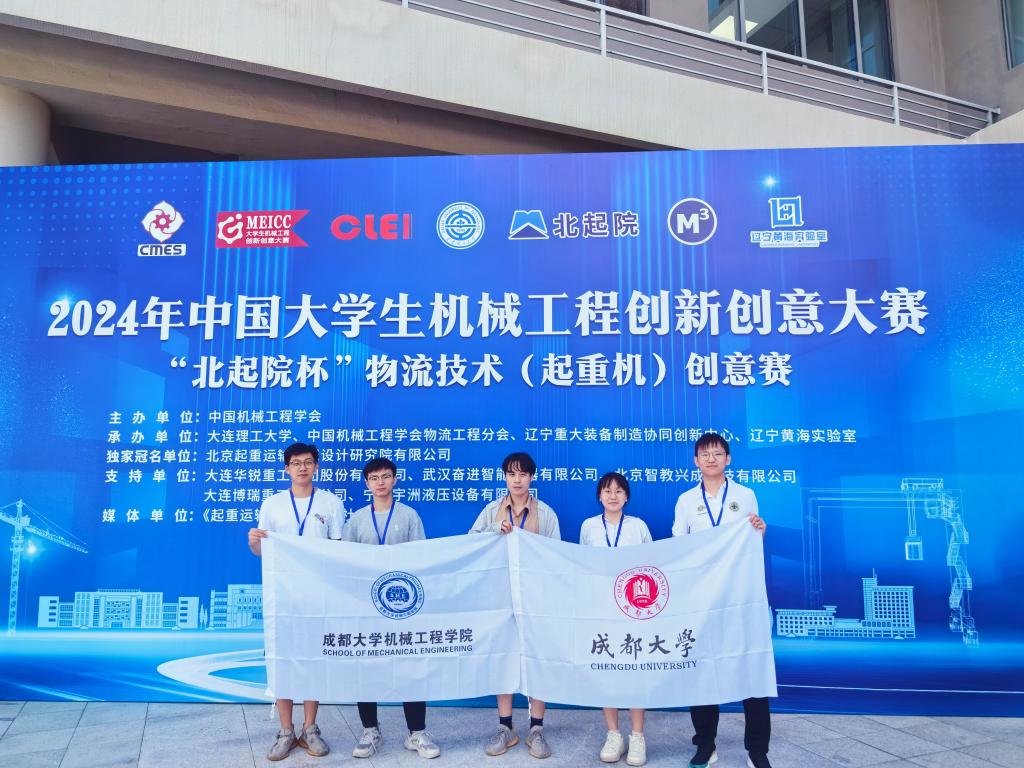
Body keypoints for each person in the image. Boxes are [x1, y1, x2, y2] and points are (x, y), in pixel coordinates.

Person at [672, 433, 770, 768]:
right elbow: (678, 545)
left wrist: (759, 530)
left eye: (717, 453)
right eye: (705, 454)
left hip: (741, 597)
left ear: (728, 459)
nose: (711, 459)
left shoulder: (745, 495)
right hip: (702, 599)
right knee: (701, 669)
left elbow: (752, 539)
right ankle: (705, 746)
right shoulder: (686, 500)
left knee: (751, 668)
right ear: (695, 461)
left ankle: (757, 751)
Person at [248, 442, 345, 762]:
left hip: (318, 596)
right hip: (283, 596)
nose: (302, 467)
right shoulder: (272, 504)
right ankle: (286, 730)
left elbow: (338, 551)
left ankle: (310, 728)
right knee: (283, 658)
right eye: (295, 463)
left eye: (308, 462)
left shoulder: (331, 503)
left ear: (316, 466)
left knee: (314, 658)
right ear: (286, 469)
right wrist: (254, 542)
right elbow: (262, 552)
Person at [341, 457, 441, 760]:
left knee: (410, 666)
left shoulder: (409, 515)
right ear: (367, 483)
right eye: (374, 478)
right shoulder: (357, 520)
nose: (380, 482)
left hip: (402, 605)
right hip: (366, 606)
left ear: (395, 480)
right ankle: (370, 730)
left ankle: (417, 732)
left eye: (385, 476)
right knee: (366, 665)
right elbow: (345, 562)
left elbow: (420, 558)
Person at [469, 451, 560, 759]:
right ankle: (505, 726)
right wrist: (493, 531)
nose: (517, 480)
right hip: (500, 596)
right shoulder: (491, 510)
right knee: (503, 658)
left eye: (523, 474)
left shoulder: (545, 513)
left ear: (531, 477)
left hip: (536, 598)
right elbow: (470, 542)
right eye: (511, 474)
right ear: (505, 477)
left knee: (537, 659)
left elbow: (556, 556)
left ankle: (537, 728)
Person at [580, 472, 652, 767]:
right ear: (599, 496)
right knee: (606, 670)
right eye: (607, 491)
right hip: (600, 610)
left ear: (627, 497)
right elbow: (582, 566)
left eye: (619, 491)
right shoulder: (589, 526)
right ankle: (614, 734)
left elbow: (652, 565)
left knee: (635, 671)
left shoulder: (638, 526)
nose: (613, 496)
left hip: (633, 609)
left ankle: (637, 735)